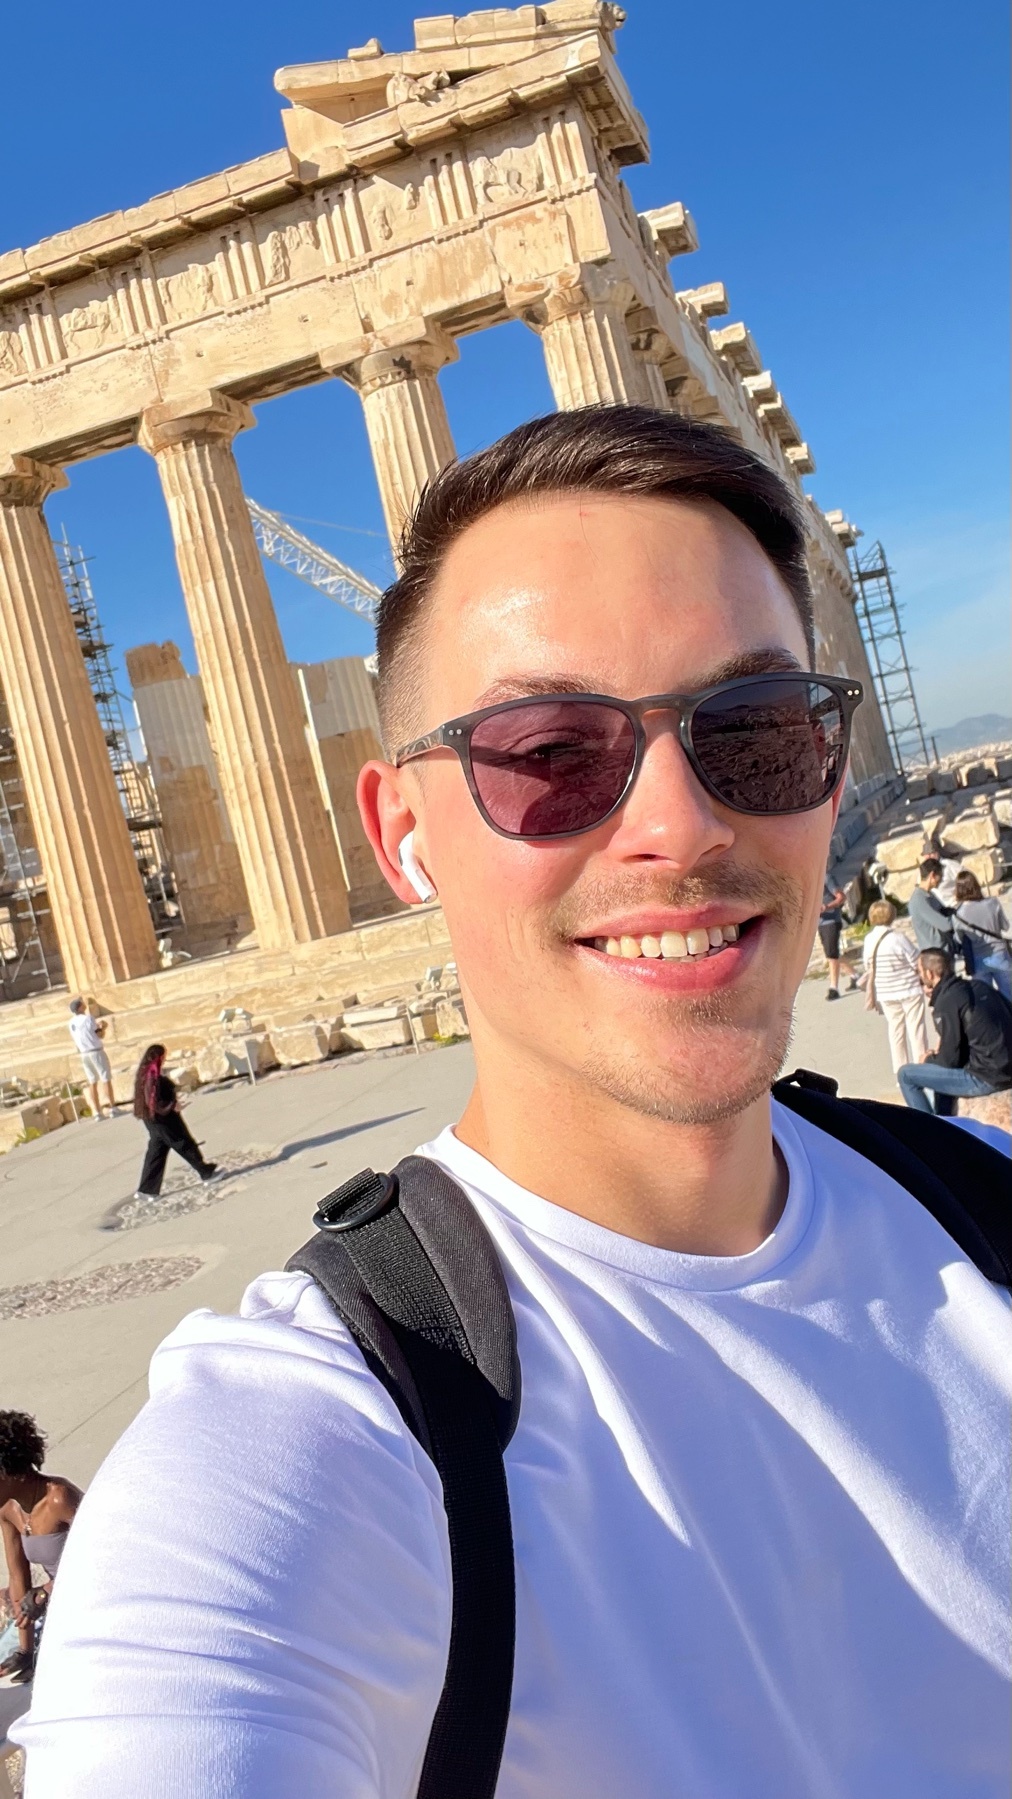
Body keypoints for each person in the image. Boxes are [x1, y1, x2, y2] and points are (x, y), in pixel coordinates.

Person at [14, 408, 1011, 1796]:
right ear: (402, 832)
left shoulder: (978, 1198)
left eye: (759, 727)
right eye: (550, 751)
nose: (683, 822)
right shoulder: (321, 1435)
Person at [0, 1413, 81, 1687]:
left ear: (12, 1471)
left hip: (87, 1591)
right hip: (51, 1600)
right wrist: (25, 1652)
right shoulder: (9, 1511)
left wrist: (47, 1590)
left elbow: (107, 1551)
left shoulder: (60, 1498)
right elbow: (18, 1577)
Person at [898, 947, 1012, 1114]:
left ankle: (928, 1130)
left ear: (930, 974)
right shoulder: (979, 986)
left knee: (906, 1075)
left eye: (919, 972)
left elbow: (949, 1061)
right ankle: (945, 1121)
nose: (919, 977)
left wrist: (928, 1059)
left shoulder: (947, 1000)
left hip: (988, 1077)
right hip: (1004, 1066)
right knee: (938, 1075)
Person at [131, 1044, 219, 1199]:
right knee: (183, 1143)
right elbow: (155, 1102)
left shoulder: (144, 1073)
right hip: (163, 1119)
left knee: (156, 1152)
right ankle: (206, 1173)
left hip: (152, 1120)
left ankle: (147, 1190)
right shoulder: (152, 1075)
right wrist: (173, 1106)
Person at [861, 899, 930, 1073]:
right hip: (909, 989)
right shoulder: (898, 938)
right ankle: (922, 1067)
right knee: (917, 1030)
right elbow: (916, 961)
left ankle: (901, 1069)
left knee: (896, 1031)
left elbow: (867, 965)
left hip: (886, 992)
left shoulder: (869, 940)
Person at [952, 870, 1012, 1000]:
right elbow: (1005, 926)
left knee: (984, 1000)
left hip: (977, 958)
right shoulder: (992, 903)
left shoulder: (958, 914)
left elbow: (959, 938)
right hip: (1000, 954)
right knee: (1009, 995)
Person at [66, 999, 114, 1121]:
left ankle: (97, 1112)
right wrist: (103, 1027)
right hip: (95, 1051)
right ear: (80, 1007)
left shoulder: (71, 1023)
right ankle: (112, 1108)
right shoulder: (88, 1018)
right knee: (105, 1079)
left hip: (84, 1053)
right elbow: (99, 1035)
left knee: (92, 1082)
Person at [817, 873, 858, 999]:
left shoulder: (826, 877)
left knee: (831, 954)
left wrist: (826, 907)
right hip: (820, 922)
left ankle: (833, 988)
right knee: (832, 954)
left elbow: (841, 897)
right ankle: (856, 976)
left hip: (831, 921)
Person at [906, 856, 956, 955]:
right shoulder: (920, 899)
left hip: (943, 950)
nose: (941, 880)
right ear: (932, 875)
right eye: (940, 877)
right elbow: (945, 925)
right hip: (935, 953)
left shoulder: (929, 895)